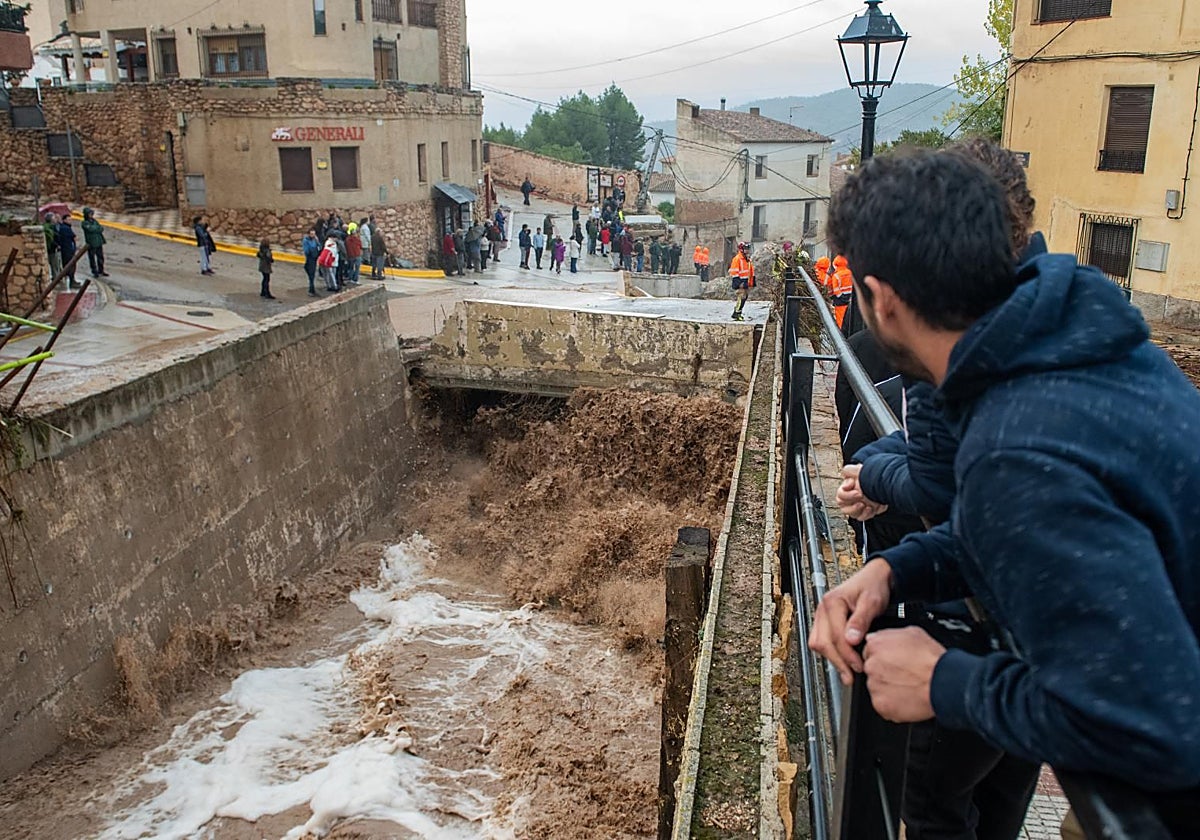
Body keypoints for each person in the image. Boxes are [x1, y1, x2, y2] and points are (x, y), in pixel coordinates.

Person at [809, 150, 1200, 828]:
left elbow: (1158, 728)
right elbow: (1024, 531)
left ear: (884, 302)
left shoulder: (1015, 447)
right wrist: (894, 569)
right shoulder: (1075, 343)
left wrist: (945, 681)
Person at [80, 208, 108, 279]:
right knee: (92, 257)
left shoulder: (94, 221)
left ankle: (101, 270)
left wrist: (96, 228)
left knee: (100, 257)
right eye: (89, 214)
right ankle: (94, 271)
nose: (91, 215)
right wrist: (96, 229)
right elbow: (91, 229)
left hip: (99, 241)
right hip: (91, 243)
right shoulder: (84, 223)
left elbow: (101, 228)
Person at [729, 241, 754, 321]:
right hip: (740, 282)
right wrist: (738, 283)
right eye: (746, 249)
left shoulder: (747, 259)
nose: (747, 250)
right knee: (741, 297)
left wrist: (752, 281)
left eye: (748, 249)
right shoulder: (737, 259)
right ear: (741, 249)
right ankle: (737, 313)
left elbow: (750, 271)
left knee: (744, 297)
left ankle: (737, 312)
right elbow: (734, 272)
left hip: (746, 281)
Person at [829, 255, 855, 328]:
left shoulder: (836, 275)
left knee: (841, 319)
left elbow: (836, 289)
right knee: (849, 318)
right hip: (850, 298)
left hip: (840, 300)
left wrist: (841, 297)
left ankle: (841, 336)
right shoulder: (850, 273)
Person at [56, 215, 78, 288]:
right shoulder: (65, 228)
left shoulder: (64, 227)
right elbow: (73, 237)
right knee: (71, 265)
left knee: (69, 265)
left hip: (67, 249)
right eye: (68, 219)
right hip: (67, 250)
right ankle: (72, 281)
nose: (70, 221)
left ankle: (70, 279)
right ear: (64, 220)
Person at [302, 228, 321, 296]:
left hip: (314, 257)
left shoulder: (315, 240)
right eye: (311, 234)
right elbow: (306, 250)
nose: (313, 235)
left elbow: (319, 246)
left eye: (314, 234)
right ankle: (311, 289)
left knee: (312, 274)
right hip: (310, 258)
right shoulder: (306, 241)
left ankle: (312, 289)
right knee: (311, 274)